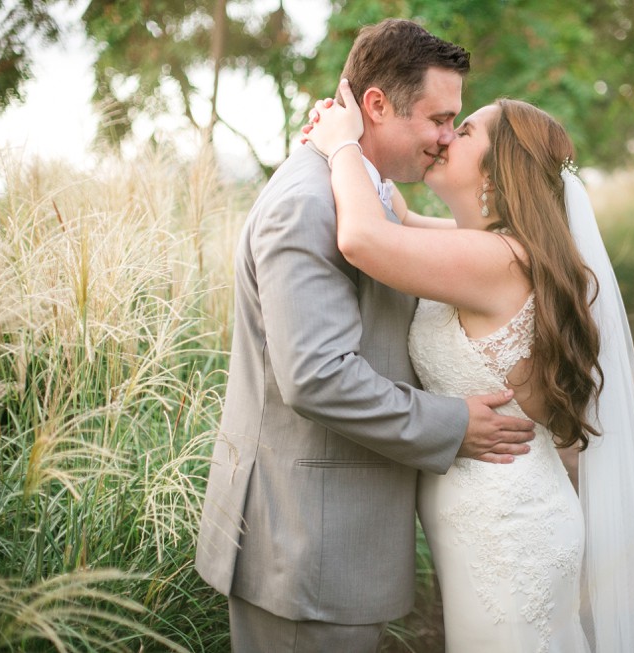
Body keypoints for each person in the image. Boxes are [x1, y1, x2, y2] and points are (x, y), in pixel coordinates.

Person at [194, 19, 537, 653]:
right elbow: (317, 376)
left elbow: (403, 238)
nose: (443, 138)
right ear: (376, 106)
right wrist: (452, 422)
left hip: (335, 544)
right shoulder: (309, 203)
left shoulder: (366, 194)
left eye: (455, 123)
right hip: (305, 550)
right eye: (439, 119)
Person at [306, 81, 634, 652]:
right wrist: (358, 124)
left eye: (466, 129)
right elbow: (395, 215)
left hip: (508, 534)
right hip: (491, 525)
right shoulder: (485, 247)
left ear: (498, 173)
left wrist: (339, 148)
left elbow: (362, 236)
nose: (447, 136)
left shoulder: (499, 259)